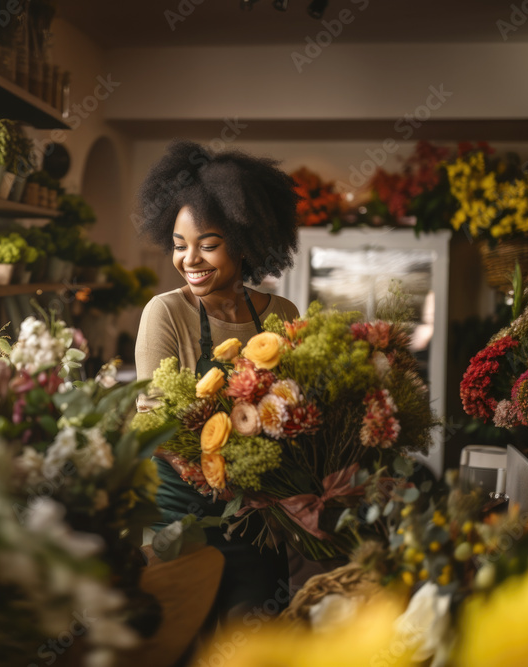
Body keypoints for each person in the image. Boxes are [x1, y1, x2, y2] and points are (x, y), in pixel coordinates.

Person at [133, 139, 302, 622]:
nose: (191, 260)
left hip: (257, 519)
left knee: (252, 636)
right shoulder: (164, 313)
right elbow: (160, 426)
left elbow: (293, 416)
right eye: (179, 246)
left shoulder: (282, 314)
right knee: (177, 637)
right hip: (179, 519)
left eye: (208, 245)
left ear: (245, 244)